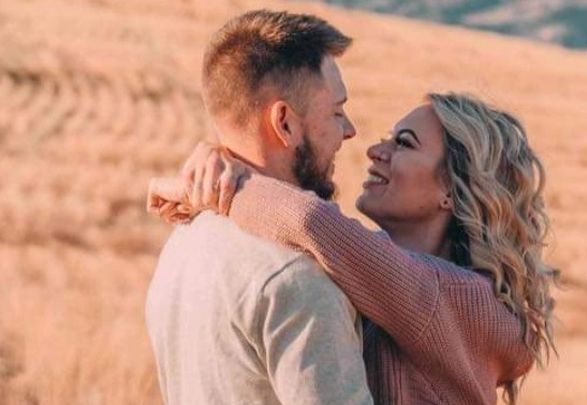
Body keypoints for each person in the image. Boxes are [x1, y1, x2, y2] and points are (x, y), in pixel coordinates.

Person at [150, 93, 558, 404]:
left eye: (404, 143)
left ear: (452, 190)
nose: (376, 151)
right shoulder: (383, 279)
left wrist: (218, 185)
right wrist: (217, 158)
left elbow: (311, 223)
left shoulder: (451, 297)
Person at [144, 10, 373, 405]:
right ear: (284, 123)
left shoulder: (181, 245)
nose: (349, 130)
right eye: (336, 111)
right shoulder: (297, 281)